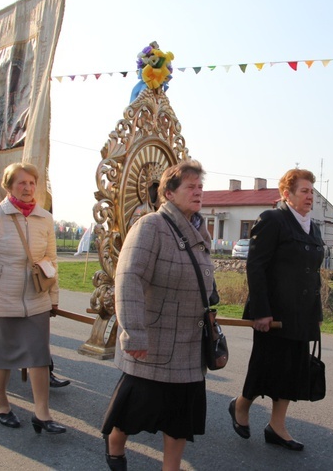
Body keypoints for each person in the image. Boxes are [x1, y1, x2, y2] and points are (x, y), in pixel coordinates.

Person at [101, 160, 214, 471]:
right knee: (135, 408)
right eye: (190, 187)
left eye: (200, 187)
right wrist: (134, 332)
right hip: (154, 340)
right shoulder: (151, 226)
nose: (198, 192)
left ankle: (171, 467)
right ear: (169, 192)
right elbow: (128, 277)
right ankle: (115, 444)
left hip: (190, 341)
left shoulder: (199, 228)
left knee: (181, 415)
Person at [229, 168, 325, 452]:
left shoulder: (313, 227)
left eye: (312, 192)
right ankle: (240, 406)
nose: (310, 197)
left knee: (294, 369)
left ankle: (277, 426)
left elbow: (313, 273)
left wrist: (315, 314)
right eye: (304, 191)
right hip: (274, 313)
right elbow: (255, 266)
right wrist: (261, 310)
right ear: (287, 194)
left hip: (303, 312)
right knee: (266, 364)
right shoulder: (273, 219)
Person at [0, 162, 65, 434]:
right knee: (2, 356)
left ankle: (42, 413)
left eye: (32, 183)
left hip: (36, 299)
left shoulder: (44, 217)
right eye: (21, 183)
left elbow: (52, 260)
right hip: (1, 298)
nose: (28, 187)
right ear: (8, 186)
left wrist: (53, 297)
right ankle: (1, 402)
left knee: (39, 356)